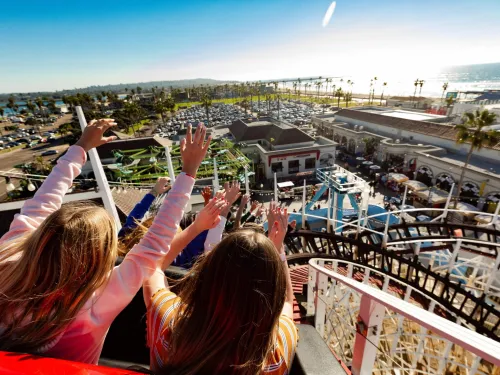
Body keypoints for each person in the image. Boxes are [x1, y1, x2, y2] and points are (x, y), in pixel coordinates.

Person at [0, 121, 215, 364]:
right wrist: (189, 172)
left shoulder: (9, 253)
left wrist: (80, 147)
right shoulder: (94, 303)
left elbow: (41, 205)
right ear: (99, 258)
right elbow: (155, 243)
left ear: (43, 234)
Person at [145, 206, 297, 374]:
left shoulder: (169, 322)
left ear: (206, 274)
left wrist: (197, 227)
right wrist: (278, 251)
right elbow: (287, 302)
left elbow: (152, 267)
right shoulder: (277, 350)